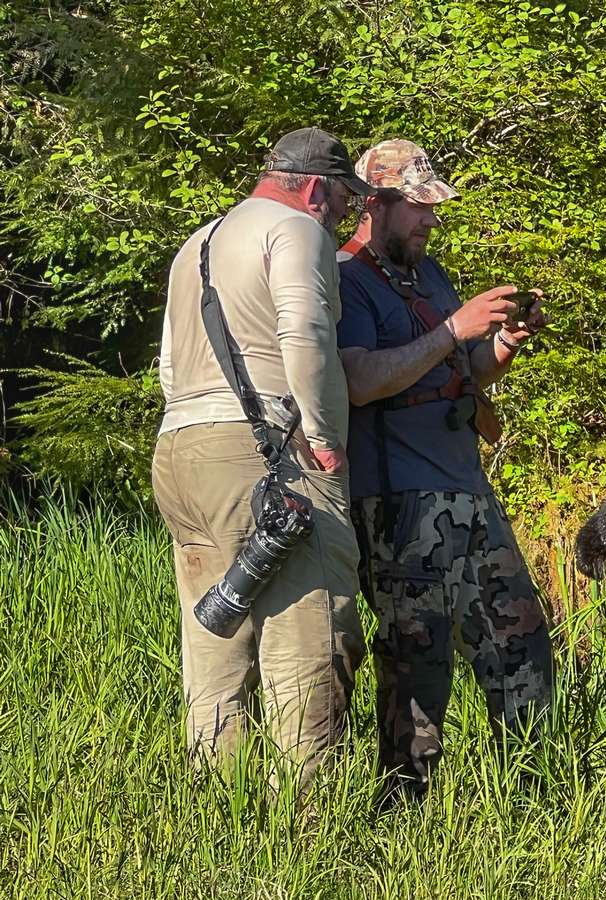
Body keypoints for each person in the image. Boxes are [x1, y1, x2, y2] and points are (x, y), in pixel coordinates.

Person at [152, 127, 372, 789]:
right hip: (270, 450)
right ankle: (304, 833)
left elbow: (166, 367)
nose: (344, 216)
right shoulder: (297, 230)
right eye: (341, 201)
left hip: (181, 451)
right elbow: (303, 331)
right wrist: (325, 436)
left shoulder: (198, 244)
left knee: (215, 639)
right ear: (314, 189)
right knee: (310, 637)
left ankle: (218, 817)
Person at [336, 138, 553, 803]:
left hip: (467, 491)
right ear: (376, 204)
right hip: (397, 503)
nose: (432, 221)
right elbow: (361, 381)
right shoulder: (344, 279)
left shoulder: (429, 275)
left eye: (434, 208)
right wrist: (452, 331)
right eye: (419, 208)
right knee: (417, 665)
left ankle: (536, 801)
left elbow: (463, 368)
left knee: (524, 645)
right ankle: (404, 815)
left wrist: (503, 344)